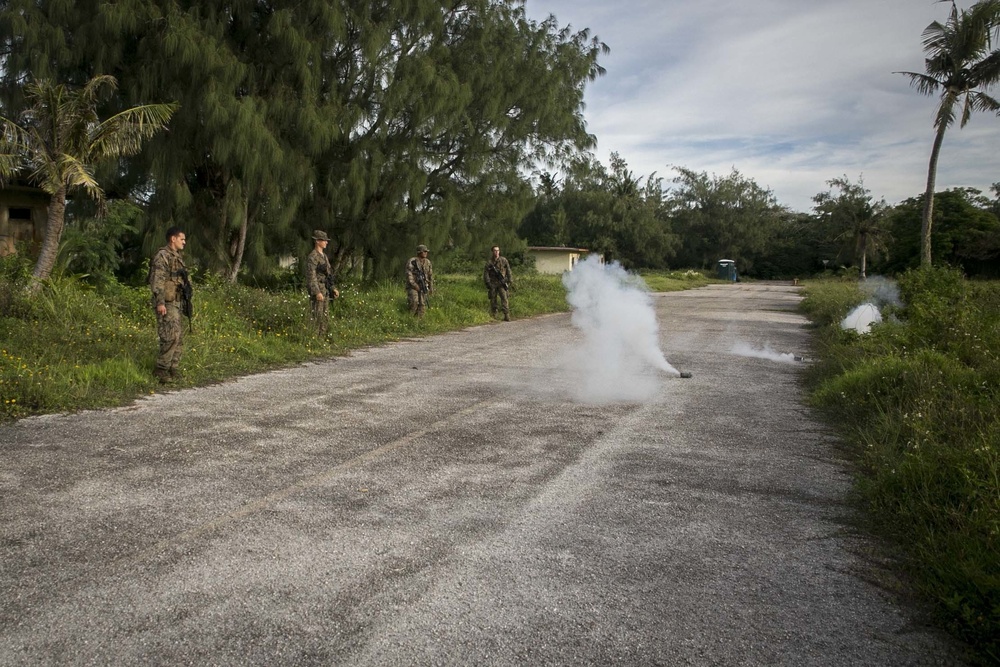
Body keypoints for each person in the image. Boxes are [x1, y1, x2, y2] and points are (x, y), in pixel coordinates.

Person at [149, 226, 190, 383]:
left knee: (178, 336)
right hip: (166, 302)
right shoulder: (163, 256)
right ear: (173, 239)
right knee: (169, 335)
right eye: (182, 239)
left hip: (177, 302)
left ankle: (173, 368)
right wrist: (160, 302)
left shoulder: (177, 257)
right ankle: (161, 370)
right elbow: (157, 281)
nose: (184, 242)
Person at [306, 230, 339, 335]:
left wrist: (333, 288)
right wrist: (316, 292)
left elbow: (328, 275)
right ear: (317, 241)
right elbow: (311, 276)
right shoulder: (313, 256)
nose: (326, 242)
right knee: (317, 315)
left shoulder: (324, 256)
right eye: (324, 240)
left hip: (325, 288)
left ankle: (323, 337)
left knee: (325, 315)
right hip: (319, 289)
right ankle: (314, 338)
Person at [483, 245, 513, 321]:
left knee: (504, 298)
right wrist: (488, 283)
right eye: (495, 251)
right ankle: (494, 315)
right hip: (493, 283)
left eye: (498, 250)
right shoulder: (489, 262)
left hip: (502, 283)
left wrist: (509, 280)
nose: (496, 252)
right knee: (493, 299)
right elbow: (486, 274)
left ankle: (506, 315)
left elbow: (509, 271)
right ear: (492, 252)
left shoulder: (503, 260)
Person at [405, 244, 434, 317]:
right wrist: (415, 285)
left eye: (426, 251)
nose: (425, 253)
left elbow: (430, 276)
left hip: (423, 286)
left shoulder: (428, 262)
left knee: (422, 305)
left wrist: (431, 288)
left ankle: (419, 322)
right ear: (419, 252)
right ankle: (409, 319)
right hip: (413, 286)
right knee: (414, 302)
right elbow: (409, 275)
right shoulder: (412, 261)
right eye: (424, 251)